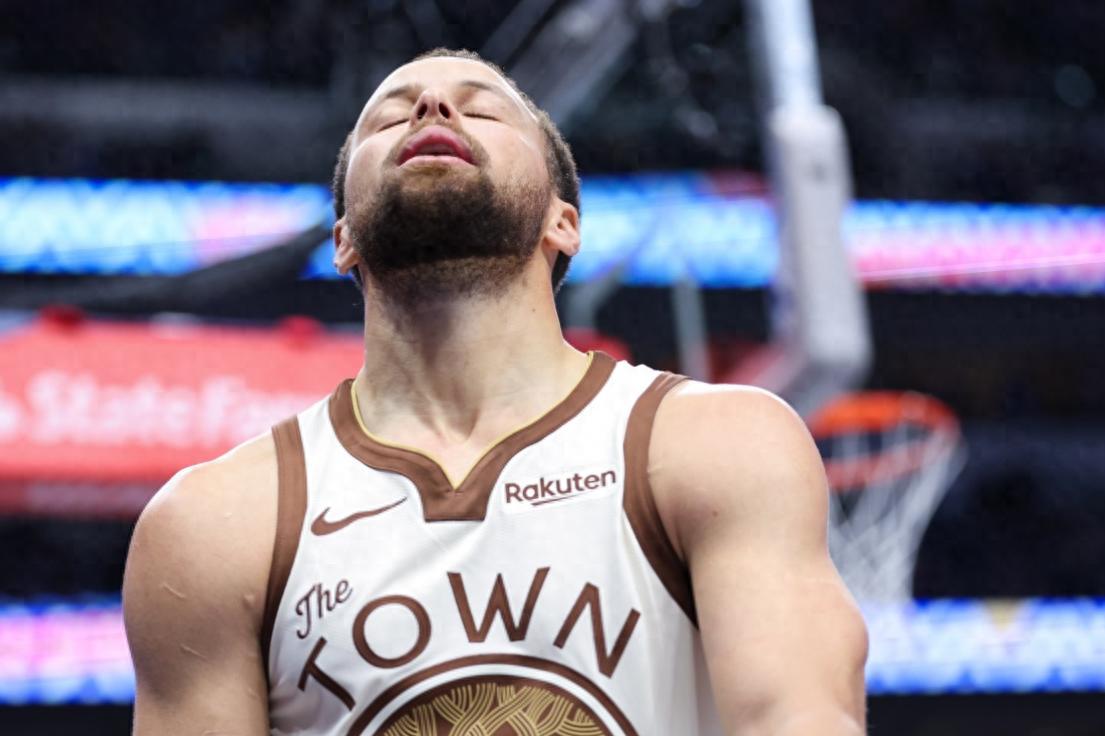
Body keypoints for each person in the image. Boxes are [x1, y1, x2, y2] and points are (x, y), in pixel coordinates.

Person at [123, 48, 868, 736]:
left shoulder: (712, 444)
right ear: (343, 238)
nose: (431, 108)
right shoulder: (215, 523)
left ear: (562, 223)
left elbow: (795, 718)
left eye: (480, 108)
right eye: (390, 115)